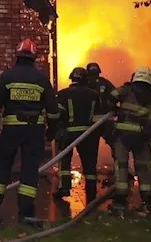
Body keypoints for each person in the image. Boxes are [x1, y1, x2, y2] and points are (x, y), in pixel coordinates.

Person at [0, 39, 61, 228]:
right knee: (30, 169)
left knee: (2, 166)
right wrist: (52, 130)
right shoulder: (41, 80)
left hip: (11, 129)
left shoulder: (7, 77)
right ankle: (26, 211)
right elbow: (53, 109)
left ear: (17, 55)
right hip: (34, 131)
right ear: (33, 57)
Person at [109, 66, 151, 213]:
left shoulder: (127, 90)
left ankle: (120, 200)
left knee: (122, 166)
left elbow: (112, 95)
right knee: (143, 167)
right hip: (142, 137)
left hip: (123, 136)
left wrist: (115, 107)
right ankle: (147, 201)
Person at [54, 67, 101, 204]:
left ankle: (64, 188)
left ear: (72, 78)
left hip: (68, 133)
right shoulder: (94, 95)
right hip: (88, 135)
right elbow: (98, 117)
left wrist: (57, 130)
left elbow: (58, 115)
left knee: (64, 161)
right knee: (90, 164)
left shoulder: (62, 94)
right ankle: (91, 191)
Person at [86, 62, 116, 145]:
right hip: (106, 119)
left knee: (91, 147)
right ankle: (117, 157)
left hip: (89, 121)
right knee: (114, 143)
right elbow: (115, 95)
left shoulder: (84, 84)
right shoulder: (105, 82)